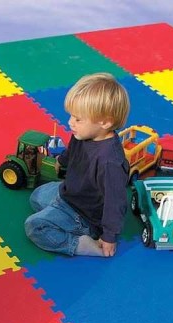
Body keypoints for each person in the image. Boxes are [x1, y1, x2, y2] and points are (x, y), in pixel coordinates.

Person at [24, 73, 130, 258]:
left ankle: (80, 243)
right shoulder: (83, 134)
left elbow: (115, 203)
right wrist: (61, 161)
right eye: (71, 116)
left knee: (35, 226)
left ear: (105, 122)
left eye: (78, 119)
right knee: (36, 196)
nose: (70, 123)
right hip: (71, 193)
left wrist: (109, 237)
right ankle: (57, 215)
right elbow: (72, 150)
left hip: (86, 215)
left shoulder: (110, 162)